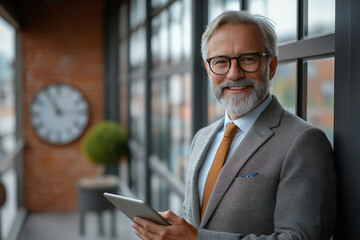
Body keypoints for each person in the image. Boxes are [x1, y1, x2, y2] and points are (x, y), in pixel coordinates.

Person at [132, 10, 336, 240]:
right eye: (220, 62)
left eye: (248, 59)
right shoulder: (202, 138)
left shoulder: (303, 141)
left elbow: (300, 238)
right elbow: (196, 223)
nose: (233, 73)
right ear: (209, 71)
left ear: (271, 66)